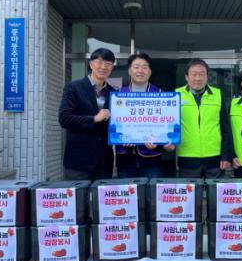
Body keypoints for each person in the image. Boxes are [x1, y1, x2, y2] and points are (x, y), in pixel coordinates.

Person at [58, 48, 116, 180]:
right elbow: (64, 119)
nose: (103, 67)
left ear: (112, 67)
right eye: (99, 62)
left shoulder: (113, 93)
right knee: (78, 194)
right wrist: (94, 119)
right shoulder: (74, 87)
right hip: (78, 160)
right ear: (91, 64)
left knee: (102, 194)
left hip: (104, 161)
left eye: (108, 64)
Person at [115, 53, 176, 178]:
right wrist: (121, 137)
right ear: (129, 71)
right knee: (126, 190)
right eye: (136, 67)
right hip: (126, 159)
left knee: (151, 191)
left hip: (152, 159)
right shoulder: (119, 95)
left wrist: (161, 141)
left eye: (144, 67)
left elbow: (166, 125)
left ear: (150, 71)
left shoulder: (160, 94)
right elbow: (113, 124)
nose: (140, 71)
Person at [175, 59, 233, 178]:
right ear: (186, 77)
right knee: (190, 191)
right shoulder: (177, 95)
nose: (198, 78)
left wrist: (226, 156)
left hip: (214, 158)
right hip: (187, 157)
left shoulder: (217, 95)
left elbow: (225, 128)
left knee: (215, 190)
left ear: (207, 77)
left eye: (202, 74)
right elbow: (170, 125)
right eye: (194, 74)